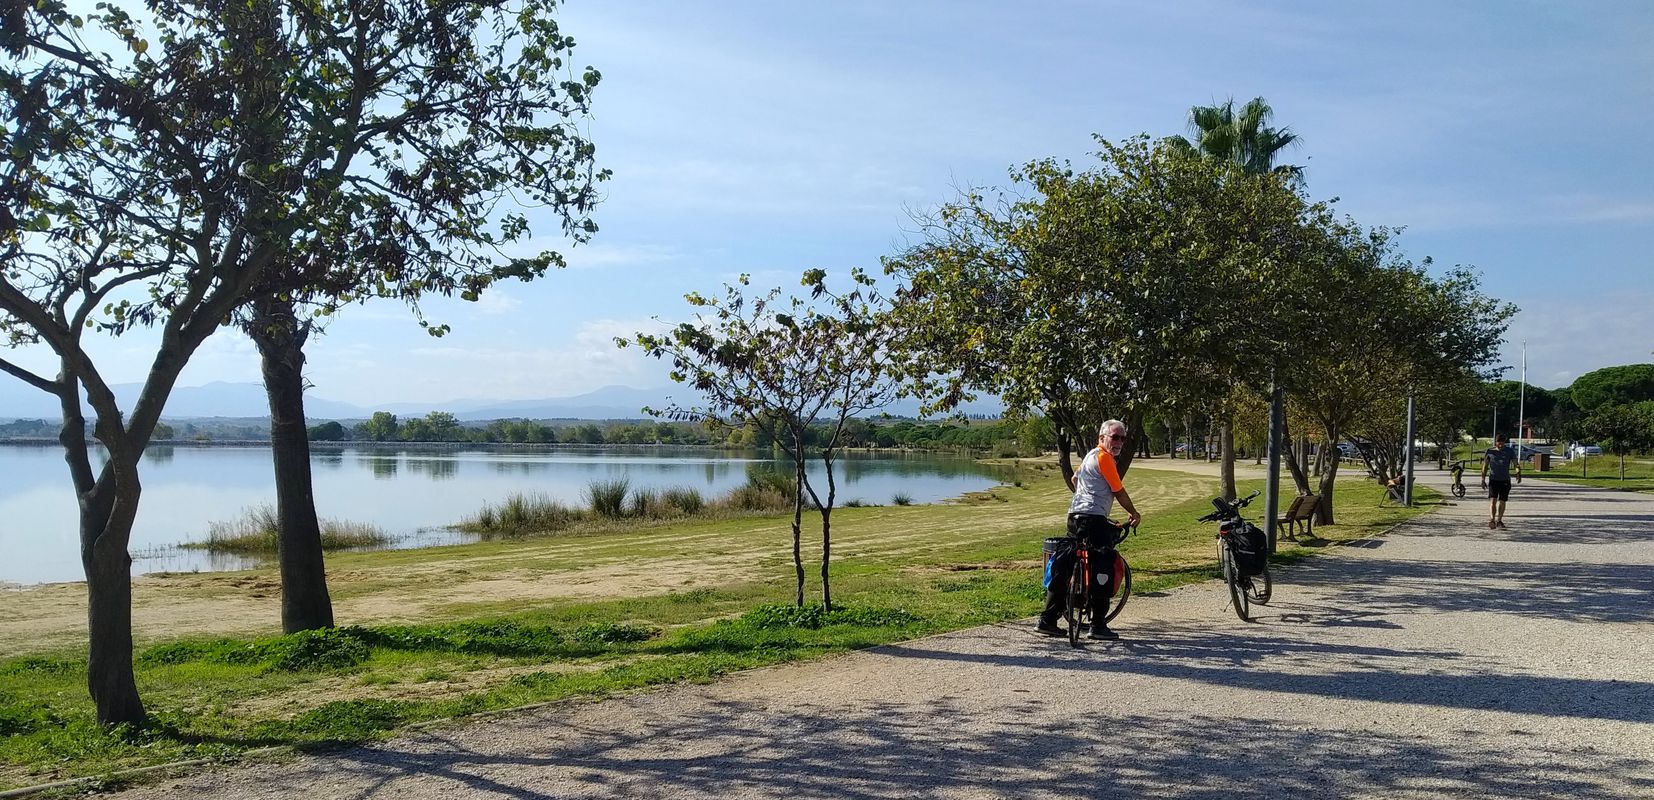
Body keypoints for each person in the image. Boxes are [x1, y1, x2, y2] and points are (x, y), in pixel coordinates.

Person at [1038, 419, 1143, 640]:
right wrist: (1133, 513)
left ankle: (1047, 620)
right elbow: (1118, 491)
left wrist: (1085, 496)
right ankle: (1098, 625)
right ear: (1102, 437)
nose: (1120, 442)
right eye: (1115, 437)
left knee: (1066, 562)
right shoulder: (1105, 458)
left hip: (1075, 516)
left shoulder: (1090, 455)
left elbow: (1076, 478)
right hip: (1094, 519)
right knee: (1102, 561)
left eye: (1123, 438)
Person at [1480, 433, 1522, 529]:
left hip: (1505, 480)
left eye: (1502, 443)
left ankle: (1499, 520)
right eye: (1499, 443)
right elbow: (1485, 466)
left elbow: (1516, 464)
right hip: (1493, 479)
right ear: (1495, 442)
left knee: (1502, 501)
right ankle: (1492, 519)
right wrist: (1483, 479)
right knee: (1493, 500)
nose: (1500, 445)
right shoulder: (1490, 452)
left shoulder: (1509, 451)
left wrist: (1518, 473)